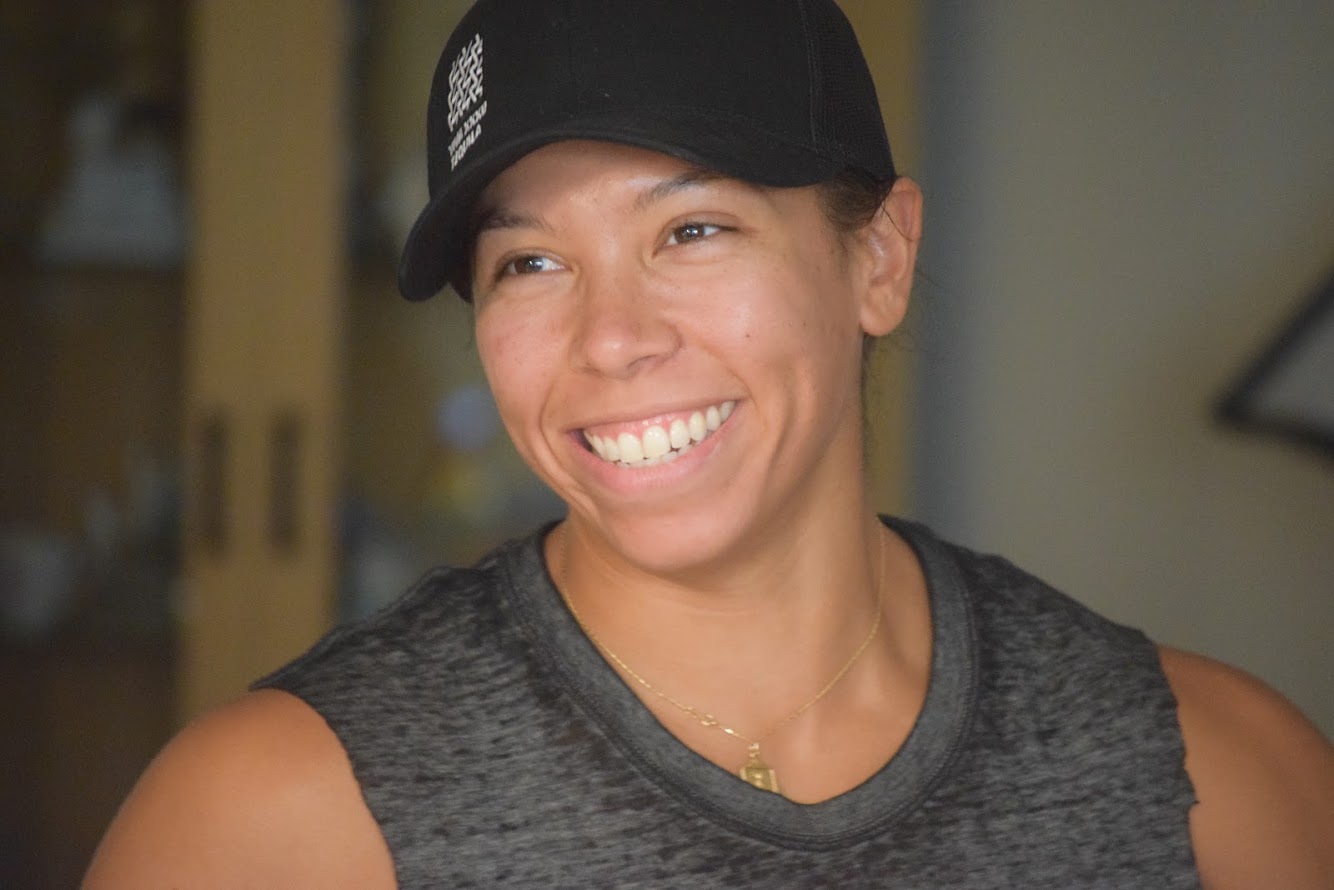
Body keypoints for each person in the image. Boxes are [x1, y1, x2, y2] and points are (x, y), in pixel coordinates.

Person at [84, 1, 1332, 887]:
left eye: (691, 231)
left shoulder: (1214, 778)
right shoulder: (273, 817)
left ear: (878, 257)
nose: (610, 338)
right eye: (529, 262)